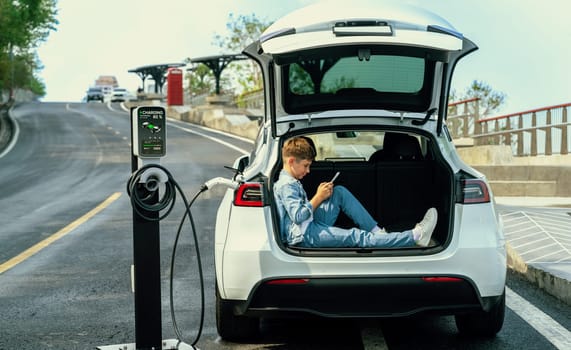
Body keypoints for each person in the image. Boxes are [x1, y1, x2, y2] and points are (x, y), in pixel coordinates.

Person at [273, 136, 437, 248]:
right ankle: (415, 236)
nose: (308, 171)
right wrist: (318, 196)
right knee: (356, 236)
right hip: (305, 236)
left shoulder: (291, 181)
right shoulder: (286, 185)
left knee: (339, 192)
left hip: (309, 225)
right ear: (292, 161)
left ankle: (378, 233)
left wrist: (324, 195)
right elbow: (298, 216)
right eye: (306, 165)